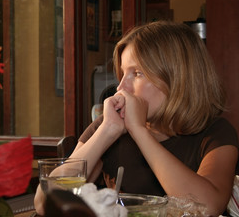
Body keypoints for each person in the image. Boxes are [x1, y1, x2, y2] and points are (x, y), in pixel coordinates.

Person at [34, 21, 238, 216]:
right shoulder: (108, 126)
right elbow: (45, 203)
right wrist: (107, 131)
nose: (121, 87)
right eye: (122, 73)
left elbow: (208, 207)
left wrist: (139, 131)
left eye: (137, 73)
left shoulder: (216, 132)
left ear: (178, 78)